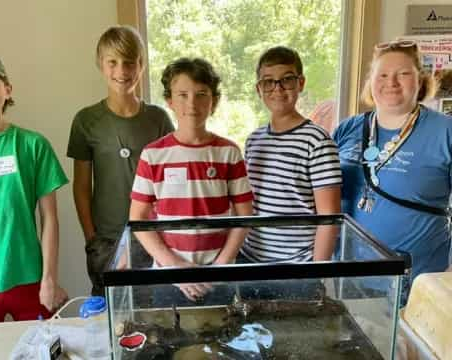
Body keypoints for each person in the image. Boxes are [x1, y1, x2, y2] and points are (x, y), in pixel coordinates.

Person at [333, 40, 452, 304]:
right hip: (350, 276)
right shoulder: (346, 129)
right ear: (371, 82)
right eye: (382, 75)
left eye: (404, 74)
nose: (392, 82)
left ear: (420, 80)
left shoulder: (445, 132)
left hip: (418, 281)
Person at [128, 57, 254, 305]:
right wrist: (175, 266)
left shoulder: (228, 152)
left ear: (214, 102)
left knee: (222, 339)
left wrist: (221, 265)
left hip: (218, 277)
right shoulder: (153, 155)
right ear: (170, 101)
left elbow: (245, 214)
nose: (192, 103)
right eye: (182, 95)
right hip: (170, 277)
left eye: (201, 94)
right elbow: (138, 219)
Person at [67, 26, 174, 296]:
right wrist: (91, 237)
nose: (121, 71)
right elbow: (81, 186)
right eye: (112, 62)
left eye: (129, 62)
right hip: (106, 239)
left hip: (150, 235)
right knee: (108, 313)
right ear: (100, 65)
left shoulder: (158, 118)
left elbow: (171, 180)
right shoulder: (86, 120)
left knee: (152, 312)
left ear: (141, 65)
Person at [0, 50, 68, 323]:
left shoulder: (32, 145)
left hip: (28, 277)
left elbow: (49, 217)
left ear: (7, 89)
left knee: (42, 349)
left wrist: (49, 279)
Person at [240, 46, 342, 264]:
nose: (277, 89)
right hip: (250, 259)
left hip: (297, 266)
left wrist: (316, 272)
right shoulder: (253, 140)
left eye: (286, 79)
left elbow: (329, 217)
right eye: (268, 82)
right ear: (259, 88)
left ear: (300, 83)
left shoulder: (317, 141)